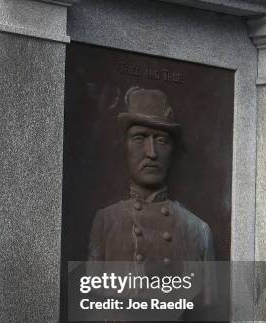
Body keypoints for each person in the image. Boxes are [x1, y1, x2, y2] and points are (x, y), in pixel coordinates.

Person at [88, 87, 215, 305]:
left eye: (161, 140)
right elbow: (92, 304)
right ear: (125, 146)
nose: (151, 152)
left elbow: (209, 307)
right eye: (140, 138)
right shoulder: (105, 222)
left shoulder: (198, 231)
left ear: (172, 151)